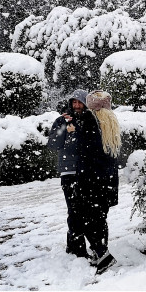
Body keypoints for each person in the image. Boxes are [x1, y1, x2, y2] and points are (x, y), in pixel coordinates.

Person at [77, 90, 121, 275]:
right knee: (100, 217)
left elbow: (86, 152)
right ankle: (99, 252)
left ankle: (103, 254)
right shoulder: (111, 122)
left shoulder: (89, 121)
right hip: (108, 180)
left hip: (91, 179)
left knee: (85, 219)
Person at [47, 89, 90, 259]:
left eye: (80, 102)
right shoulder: (61, 120)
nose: (77, 106)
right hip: (68, 172)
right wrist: (67, 131)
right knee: (74, 210)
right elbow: (54, 144)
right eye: (74, 102)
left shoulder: (88, 120)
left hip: (84, 171)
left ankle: (73, 245)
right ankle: (77, 248)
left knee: (81, 210)